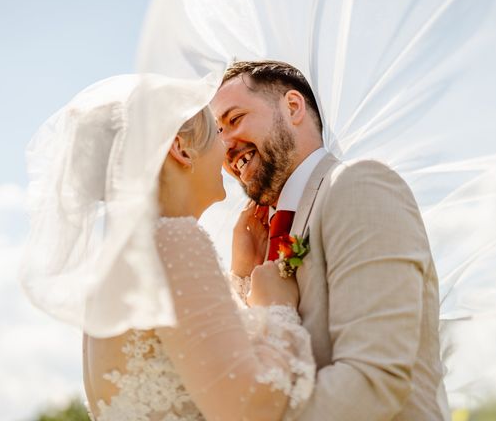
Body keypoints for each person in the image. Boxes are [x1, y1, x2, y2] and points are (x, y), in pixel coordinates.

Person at [20, 73, 315, 421]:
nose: (225, 149)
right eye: (218, 131)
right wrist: (275, 305)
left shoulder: (124, 260)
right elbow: (251, 406)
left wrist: (242, 274)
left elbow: (194, 360)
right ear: (181, 148)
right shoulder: (172, 241)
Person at [211, 60, 450, 420]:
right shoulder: (264, 239)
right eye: (217, 132)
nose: (224, 146)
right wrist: (243, 274)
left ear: (293, 107)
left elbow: (373, 381)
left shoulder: (358, 185)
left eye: (235, 119)